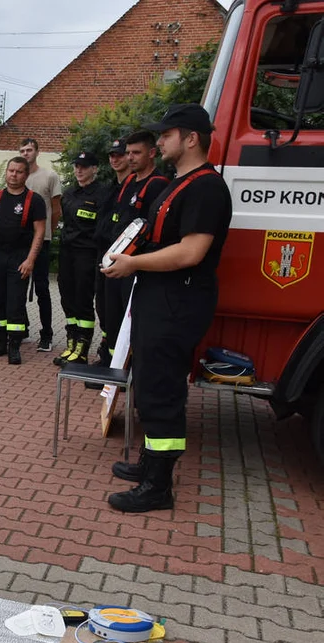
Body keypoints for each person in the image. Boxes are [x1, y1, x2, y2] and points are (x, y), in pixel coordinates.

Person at [102, 103, 231, 513]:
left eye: (167, 134)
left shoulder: (206, 187)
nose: (159, 141)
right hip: (159, 299)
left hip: (178, 301)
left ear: (191, 138)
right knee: (151, 385)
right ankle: (149, 465)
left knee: (162, 391)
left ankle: (158, 488)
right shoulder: (179, 183)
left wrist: (134, 263)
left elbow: (191, 252)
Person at [101, 130, 169, 363]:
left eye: (136, 153)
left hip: (135, 266)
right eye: (128, 153)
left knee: (130, 321)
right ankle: (112, 365)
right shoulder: (129, 181)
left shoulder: (158, 185)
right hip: (116, 260)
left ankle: (127, 369)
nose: (130, 157)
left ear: (152, 153)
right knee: (112, 316)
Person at [0, 157, 46, 365]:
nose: (14, 175)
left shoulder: (35, 200)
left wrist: (30, 260)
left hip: (19, 257)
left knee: (15, 303)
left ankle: (14, 346)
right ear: (6, 172)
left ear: (26, 175)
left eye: (19, 172)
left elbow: (39, 232)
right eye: (11, 171)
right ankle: (0, 342)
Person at [53, 151, 107, 367]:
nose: (79, 170)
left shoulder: (102, 194)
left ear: (94, 169)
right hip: (68, 253)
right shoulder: (69, 193)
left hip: (87, 254)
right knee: (68, 300)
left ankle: (82, 350)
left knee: (83, 301)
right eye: (77, 166)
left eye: (84, 167)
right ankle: (71, 344)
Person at [18, 138, 60, 352]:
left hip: (42, 241)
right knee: (19, 285)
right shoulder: (18, 177)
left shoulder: (49, 176)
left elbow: (56, 209)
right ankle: (22, 329)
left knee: (42, 288)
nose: (26, 153)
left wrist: (47, 233)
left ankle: (47, 334)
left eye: (29, 150)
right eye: (22, 150)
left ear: (37, 151)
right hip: (21, 241)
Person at [92, 137, 132, 366]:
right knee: (104, 309)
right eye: (112, 155)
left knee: (119, 312)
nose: (115, 159)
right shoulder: (111, 188)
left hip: (124, 261)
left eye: (120, 154)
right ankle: (109, 354)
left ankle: (119, 362)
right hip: (103, 255)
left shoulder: (136, 187)